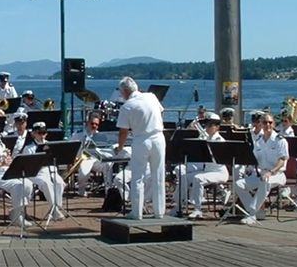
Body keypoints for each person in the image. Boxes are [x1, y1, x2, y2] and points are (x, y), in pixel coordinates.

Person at [114, 76, 166, 220]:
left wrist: (120, 147)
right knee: (158, 175)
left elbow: (123, 131)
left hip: (141, 140)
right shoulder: (151, 97)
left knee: (138, 177)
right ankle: (159, 211)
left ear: (124, 92)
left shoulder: (127, 106)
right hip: (158, 137)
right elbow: (161, 113)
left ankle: (137, 212)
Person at [171, 113, 230, 219]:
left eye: (210, 125)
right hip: (207, 171)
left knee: (198, 178)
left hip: (219, 172)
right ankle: (179, 205)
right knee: (184, 176)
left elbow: (217, 159)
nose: (207, 127)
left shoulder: (220, 141)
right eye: (206, 125)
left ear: (217, 127)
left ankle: (197, 208)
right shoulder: (206, 138)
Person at [234, 113, 289, 225]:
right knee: (238, 184)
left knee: (265, 181)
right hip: (260, 174)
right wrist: (247, 168)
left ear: (274, 124)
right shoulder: (258, 141)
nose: (267, 125)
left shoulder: (280, 140)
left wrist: (271, 172)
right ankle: (256, 211)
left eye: (270, 122)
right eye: (265, 122)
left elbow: (282, 161)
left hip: (277, 175)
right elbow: (254, 159)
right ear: (261, 124)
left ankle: (251, 214)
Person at [19, 122, 66, 221]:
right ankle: (55, 210)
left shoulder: (50, 145)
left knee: (60, 182)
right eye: (39, 133)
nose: (42, 135)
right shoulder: (29, 148)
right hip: (35, 172)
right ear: (33, 134)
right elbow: (28, 165)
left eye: (43, 133)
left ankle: (56, 208)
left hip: (50, 170)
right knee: (46, 183)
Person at [71, 111, 112, 197]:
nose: (94, 126)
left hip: (96, 159)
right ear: (87, 122)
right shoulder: (78, 134)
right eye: (92, 123)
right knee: (83, 173)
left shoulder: (100, 135)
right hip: (84, 159)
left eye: (97, 124)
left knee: (109, 163)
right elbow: (70, 146)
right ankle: (81, 190)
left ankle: (108, 189)